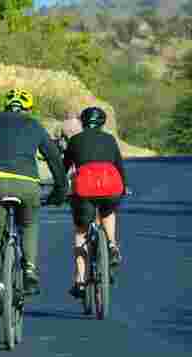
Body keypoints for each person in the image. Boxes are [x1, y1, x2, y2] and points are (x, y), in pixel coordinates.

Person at [0, 88, 68, 318]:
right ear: (28, 108)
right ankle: (29, 270)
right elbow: (53, 158)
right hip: (28, 186)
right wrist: (61, 189)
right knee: (29, 225)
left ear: (5, 106)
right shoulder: (34, 125)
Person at [62, 106, 126, 299]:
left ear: (83, 122)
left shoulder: (75, 140)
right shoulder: (110, 139)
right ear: (102, 123)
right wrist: (123, 188)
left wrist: (61, 189)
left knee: (81, 230)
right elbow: (119, 166)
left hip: (85, 188)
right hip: (110, 186)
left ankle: (80, 280)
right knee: (108, 212)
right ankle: (112, 246)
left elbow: (64, 168)